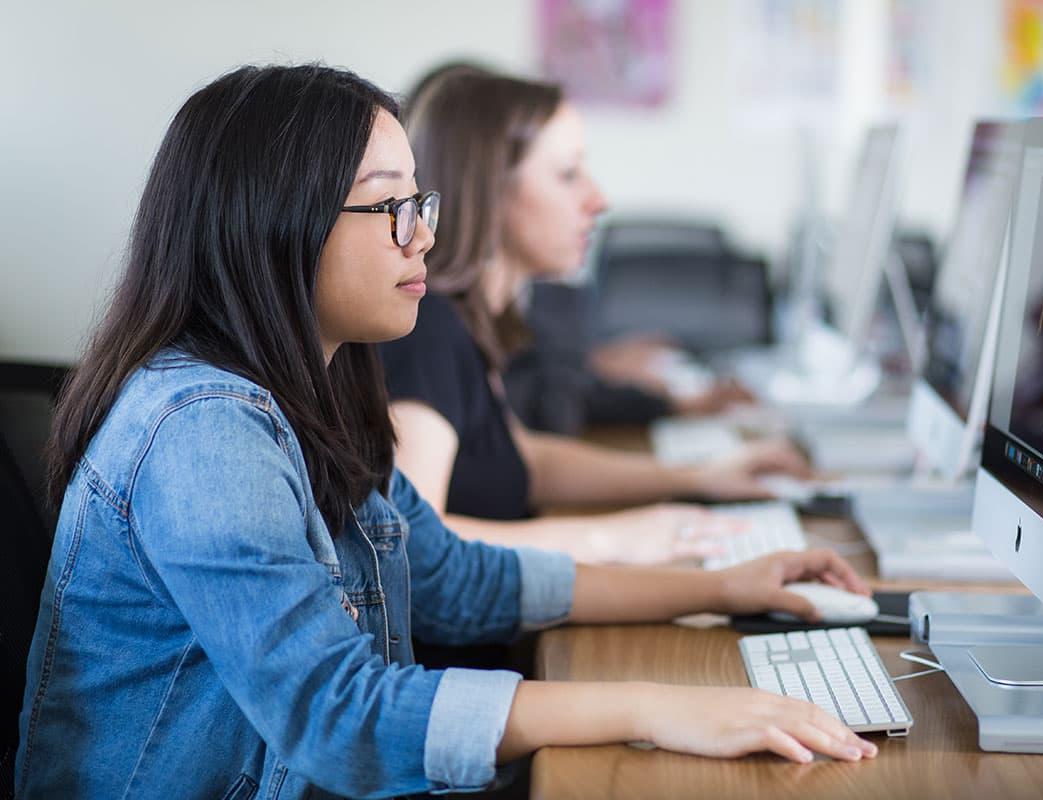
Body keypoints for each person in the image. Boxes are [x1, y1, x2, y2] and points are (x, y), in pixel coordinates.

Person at [17, 64, 875, 799]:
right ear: (277, 226)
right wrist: (660, 705)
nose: (425, 233)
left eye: (417, 200)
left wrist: (723, 589)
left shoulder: (320, 393)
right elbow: (337, 715)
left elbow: (457, 578)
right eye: (390, 208)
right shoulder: (204, 431)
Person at [379, 66, 808, 564]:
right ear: (492, 191)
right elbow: (412, 544)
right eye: (567, 175)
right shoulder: (429, 329)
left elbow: (527, 461)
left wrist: (698, 479)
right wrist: (617, 540)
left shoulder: (472, 323)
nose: (598, 200)